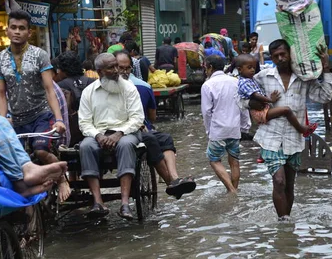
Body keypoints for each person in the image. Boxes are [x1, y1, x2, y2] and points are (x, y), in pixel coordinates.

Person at [252, 39, 332, 221]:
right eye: (276, 56)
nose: (280, 59)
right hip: (270, 138)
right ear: (271, 58)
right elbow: (243, 97)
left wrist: (326, 68)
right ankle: (283, 224)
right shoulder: (264, 77)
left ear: (290, 54)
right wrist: (259, 108)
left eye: (283, 54)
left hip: (294, 139)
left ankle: (287, 223)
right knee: (279, 181)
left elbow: (324, 96)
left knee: (289, 185)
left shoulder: (304, 78)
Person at [116, 51, 196, 198]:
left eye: (127, 68)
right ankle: (170, 181)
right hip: (120, 131)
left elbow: (141, 116)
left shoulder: (133, 87)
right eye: (120, 68)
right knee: (151, 139)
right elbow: (150, 117)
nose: (124, 72)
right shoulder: (135, 86)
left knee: (165, 138)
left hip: (136, 127)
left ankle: (174, 178)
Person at [0, 9, 66, 166]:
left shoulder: (40, 55)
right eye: (13, 27)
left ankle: (61, 179)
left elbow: (49, 89)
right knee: (14, 161)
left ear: (29, 32)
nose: (17, 32)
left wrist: (59, 119)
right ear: (7, 31)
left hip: (41, 116)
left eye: (22, 28)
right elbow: (1, 95)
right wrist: (1, 122)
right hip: (17, 119)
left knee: (41, 151)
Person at [78, 53, 144, 220]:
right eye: (110, 68)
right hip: (98, 133)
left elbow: (137, 118)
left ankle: (124, 204)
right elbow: (84, 122)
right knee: (86, 146)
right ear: (99, 72)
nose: (116, 71)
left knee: (126, 145)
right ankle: (98, 201)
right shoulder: (88, 92)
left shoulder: (129, 88)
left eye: (116, 66)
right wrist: (98, 135)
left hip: (126, 132)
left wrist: (119, 133)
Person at [0, 111, 68, 198]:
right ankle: (20, 182)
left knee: (2, 120)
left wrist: (59, 120)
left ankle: (28, 166)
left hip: (40, 116)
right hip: (19, 119)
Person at [236, 54, 318, 137]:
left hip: (265, 112)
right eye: (249, 68)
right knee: (286, 110)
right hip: (260, 112)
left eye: (253, 67)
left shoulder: (251, 79)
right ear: (239, 69)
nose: (253, 70)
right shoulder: (245, 82)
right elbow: (255, 95)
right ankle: (302, 129)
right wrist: (270, 100)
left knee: (285, 111)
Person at [201, 55, 242, 193]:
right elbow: (243, 105)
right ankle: (234, 189)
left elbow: (206, 112)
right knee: (234, 160)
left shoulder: (207, 85)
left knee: (214, 159)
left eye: (205, 67)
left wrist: (208, 130)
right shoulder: (236, 82)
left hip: (218, 129)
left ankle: (231, 190)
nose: (205, 70)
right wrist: (245, 125)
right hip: (235, 128)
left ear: (210, 67)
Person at [55, 51, 95, 146]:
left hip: (71, 134)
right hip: (93, 132)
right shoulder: (93, 83)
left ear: (62, 70)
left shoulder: (59, 87)